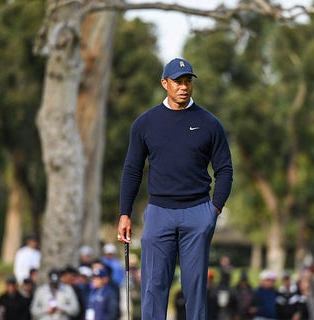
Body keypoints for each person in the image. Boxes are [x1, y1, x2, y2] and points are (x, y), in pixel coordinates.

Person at [116, 57, 233, 320]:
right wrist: (124, 213)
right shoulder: (145, 123)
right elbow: (132, 170)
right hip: (159, 212)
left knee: (194, 289)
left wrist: (214, 210)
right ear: (164, 83)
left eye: (188, 81)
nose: (183, 87)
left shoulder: (209, 123)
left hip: (198, 212)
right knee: (154, 286)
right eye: (178, 82)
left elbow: (224, 169)